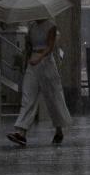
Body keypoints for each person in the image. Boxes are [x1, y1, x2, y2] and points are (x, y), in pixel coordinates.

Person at [8, 17, 72, 148]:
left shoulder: (51, 25)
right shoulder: (31, 26)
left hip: (47, 63)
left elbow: (50, 46)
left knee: (53, 98)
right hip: (32, 63)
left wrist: (40, 57)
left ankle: (59, 129)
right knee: (28, 97)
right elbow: (29, 47)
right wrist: (26, 59)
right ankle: (21, 132)